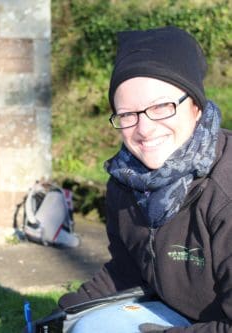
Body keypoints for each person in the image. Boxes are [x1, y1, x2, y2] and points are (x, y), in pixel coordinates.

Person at [56, 26, 232, 332]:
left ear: (196, 107)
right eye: (128, 114)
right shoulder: (125, 182)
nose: (144, 129)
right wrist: (64, 315)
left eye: (162, 107)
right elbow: (127, 270)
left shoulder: (224, 190)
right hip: (179, 315)